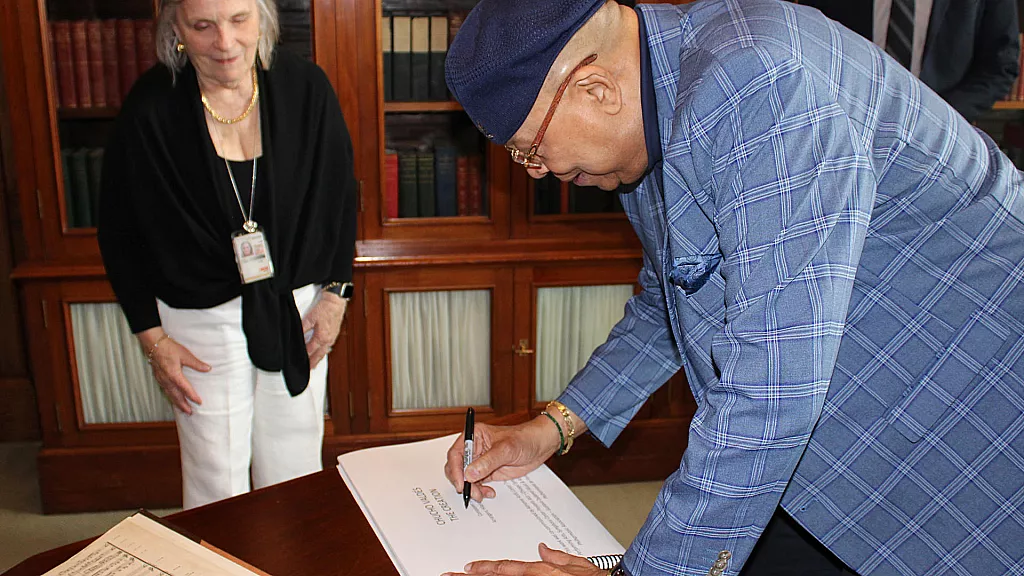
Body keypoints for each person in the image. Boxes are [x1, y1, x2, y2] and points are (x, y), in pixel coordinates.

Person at [441, 0, 1024, 574]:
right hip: (836, 423)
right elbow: (673, 296)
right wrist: (550, 430)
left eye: (530, 149)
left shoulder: (758, 82)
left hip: (965, 417)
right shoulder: (652, 107)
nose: (540, 172)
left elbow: (770, 391)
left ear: (595, 89)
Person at [97, 0, 357, 509]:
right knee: (216, 473)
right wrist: (152, 339)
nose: (225, 41)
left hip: (297, 307)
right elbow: (118, 231)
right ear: (176, 29)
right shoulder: (150, 107)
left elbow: (341, 197)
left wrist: (335, 294)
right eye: (203, 25)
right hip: (198, 320)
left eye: (239, 19)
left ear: (263, 18)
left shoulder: (306, 88)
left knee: (296, 463)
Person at [798, 0, 1019, 122]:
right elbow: (808, 53)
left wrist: (936, 118)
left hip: (942, 142)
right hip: (846, 134)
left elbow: (999, 67)